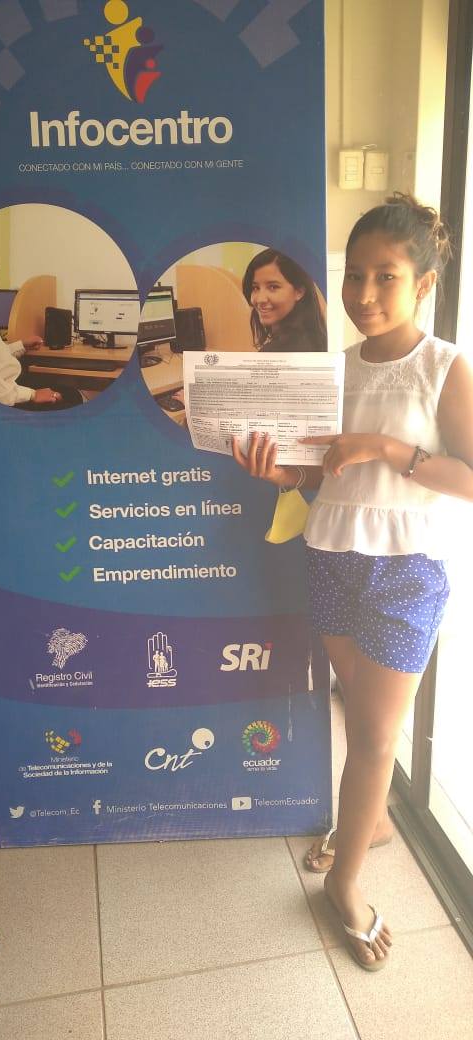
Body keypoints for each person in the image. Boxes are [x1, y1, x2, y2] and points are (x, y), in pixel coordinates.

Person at [232, 192, 473, 972]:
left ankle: (347, 881)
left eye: (386, 277)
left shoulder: (444, 367)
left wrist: (387, 448)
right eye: (355, 276)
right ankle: (373, 821)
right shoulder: (332, 369)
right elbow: (317, 470)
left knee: (371, 736)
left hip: (408, 570)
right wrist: (278, 472)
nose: (365, 295)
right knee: (362, 711)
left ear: (424, 284)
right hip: (331, 554)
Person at [0, 252, 62, 408]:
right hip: (7, 395)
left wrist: (21, 345)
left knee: (62, 387)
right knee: (69, 396)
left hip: (9, 385)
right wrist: (32, 395)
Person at [242, 247, 327, 352]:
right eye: (255, 288)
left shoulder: (279, 351)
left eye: (273, 287)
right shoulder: (314, 340)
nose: (260, 299)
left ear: (299, 291)